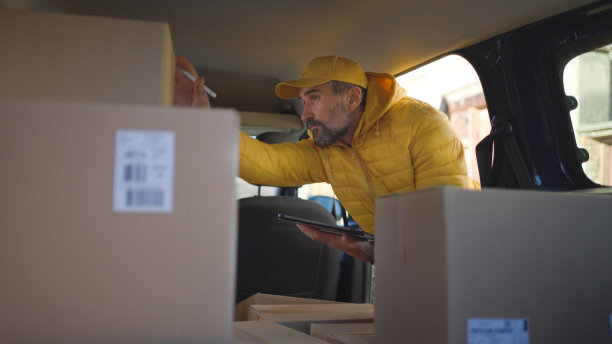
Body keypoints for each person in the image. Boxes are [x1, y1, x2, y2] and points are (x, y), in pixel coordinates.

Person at [174, 55, 479, 262]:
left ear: (352, 98)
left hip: (475, 253)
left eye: (314, 98)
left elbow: (442, 228)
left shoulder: (422, 124)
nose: (305, 113)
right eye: (303, 102)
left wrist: (376, 253)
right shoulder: (328, 151)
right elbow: (265, 162)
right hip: (414, 264)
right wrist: (204, 119)